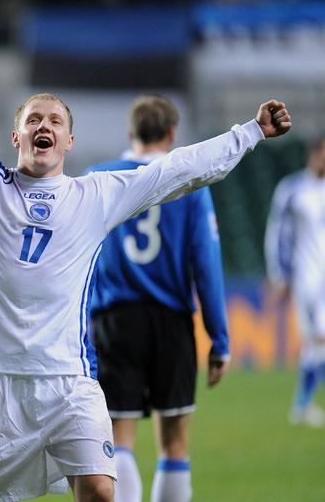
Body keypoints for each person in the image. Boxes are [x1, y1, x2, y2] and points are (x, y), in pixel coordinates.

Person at [0, 15, 291, 502]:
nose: (43, 127)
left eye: (54, 122)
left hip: (69, 382)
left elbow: (180, 170)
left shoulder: (96, 195)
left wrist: (251, 131)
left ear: (68, 141)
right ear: (16, 138)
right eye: (33, 120)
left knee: (98, 490)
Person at [85, 95, 229, 502]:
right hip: (171, 321)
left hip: (113, 322)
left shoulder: (98, 177)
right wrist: (219, 339)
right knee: (175, 440)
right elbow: (206, 263)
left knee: (119, 439)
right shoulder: (189, 184)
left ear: (131, 134)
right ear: (171, 135)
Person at [265, 137, 325, 428]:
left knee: (320, 340)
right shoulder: (292, 190)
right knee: (314, 342)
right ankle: (302, 404)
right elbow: (277, 233)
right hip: (305, 278)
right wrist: (279, 273)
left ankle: (302, 404)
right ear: (313, 153)